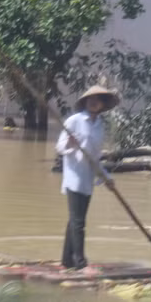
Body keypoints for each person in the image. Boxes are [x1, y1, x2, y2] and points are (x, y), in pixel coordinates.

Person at [55, 85, 119, 274]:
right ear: (85, 102)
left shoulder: (99, 126)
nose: (94, 102)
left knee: (74, 221)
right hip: (74, 177)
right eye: (91, 99)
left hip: (87, 178)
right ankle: (81, 263)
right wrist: (70, 144)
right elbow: (59, 148)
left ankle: (66, 260)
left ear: (102, 105)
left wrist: (106, 177)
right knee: (79, 222)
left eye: (98, 100)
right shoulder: (74, 121)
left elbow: (95, 158)